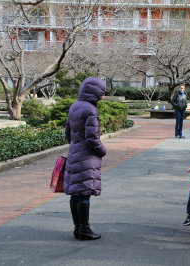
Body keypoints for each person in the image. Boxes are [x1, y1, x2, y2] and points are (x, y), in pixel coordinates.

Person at [64, 77, 107, 240]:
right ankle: (84, 229)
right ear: (94, 92)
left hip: (74, 153)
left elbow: (68, 132)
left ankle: (77, 228)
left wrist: (76, 145)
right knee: (84, 194)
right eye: (101, 93)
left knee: (76, 193)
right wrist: (103, 151)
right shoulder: (90, 110)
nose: (102, 97)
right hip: (87, 157)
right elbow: (92, 139)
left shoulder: (74, 106)